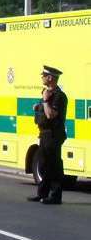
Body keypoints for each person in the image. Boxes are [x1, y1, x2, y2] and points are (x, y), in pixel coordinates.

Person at [29, 65, 68, 205]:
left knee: (54, 165)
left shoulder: (59, 96)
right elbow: (42, 111)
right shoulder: (46, 93)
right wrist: (38, 105)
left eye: (44, 76)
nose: (42, 78)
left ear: (50, 78)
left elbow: (51, 115)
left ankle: (56, 196)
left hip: (53, 134)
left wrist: (45, 101)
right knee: (44, 164)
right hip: (44, 134)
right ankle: (42, 194)